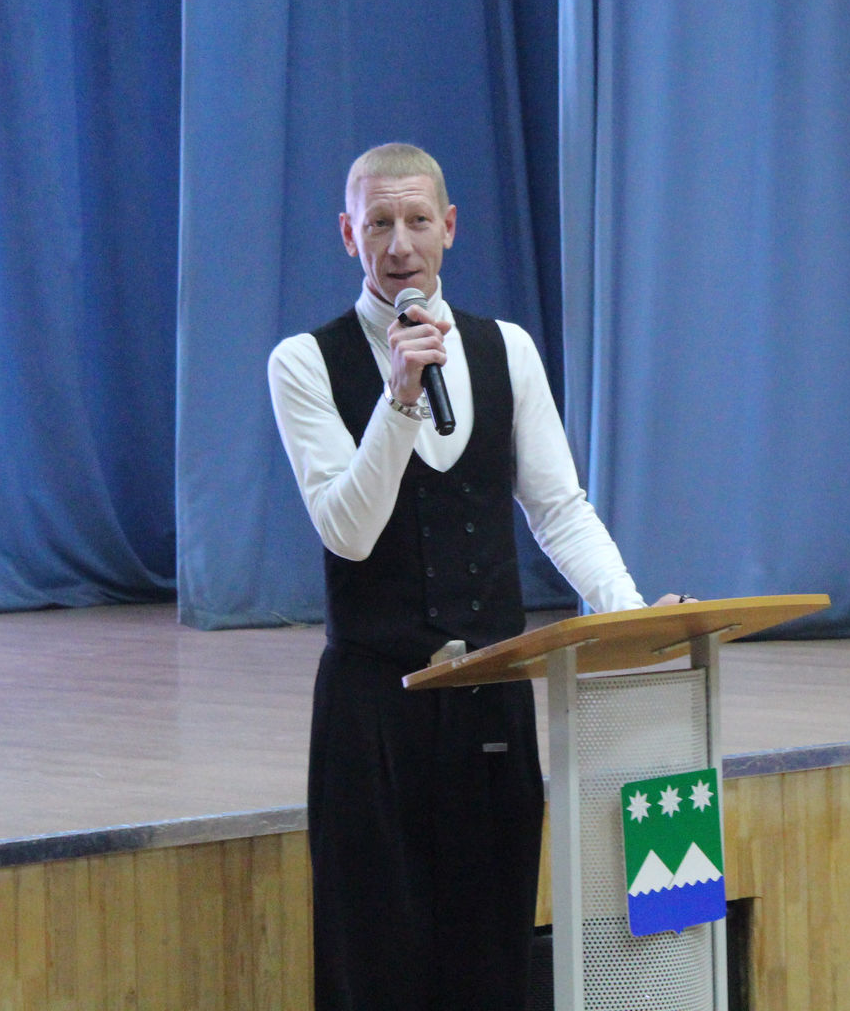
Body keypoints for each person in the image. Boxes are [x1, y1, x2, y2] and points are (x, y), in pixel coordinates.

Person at [268, 142, 675, 1011]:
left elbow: (558, 509)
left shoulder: (506, 349)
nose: (400, 244)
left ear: (449, 227)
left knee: (489, 964)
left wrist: (631, 617)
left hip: (491, 704)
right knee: (375, 967)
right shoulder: (305, 362)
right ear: (348, 234)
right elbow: (348, 531)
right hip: (375, 711)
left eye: (418, 220)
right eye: (379, 222)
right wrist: (400, 397)